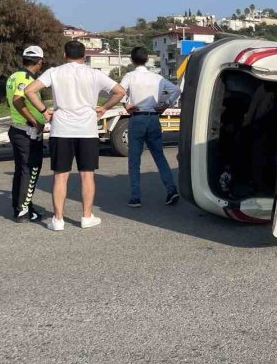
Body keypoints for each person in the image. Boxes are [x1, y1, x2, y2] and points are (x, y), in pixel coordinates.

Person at [24, 41, 126, 231]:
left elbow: (29, 90)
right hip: (87, 130)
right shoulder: (94, 73)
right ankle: (86, 217)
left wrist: (44, 110)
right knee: (87, 175)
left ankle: (58, 219)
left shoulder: (54, 72)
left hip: (61, 129)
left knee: (60, 176)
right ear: (84, 56)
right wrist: (104, 108)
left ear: (65, 55)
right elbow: (120, 91)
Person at [119, 47, 181, 207]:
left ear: (132, 60)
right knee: (159, 156)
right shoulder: (157, 77)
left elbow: (119, 91)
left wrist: (126, 103)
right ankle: (171, 190)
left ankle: (135, 197)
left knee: (134, 159)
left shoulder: (129, 76)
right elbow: (176, 90)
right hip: (153, 117)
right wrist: (165, 105)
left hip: (137, 117)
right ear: (147, 60)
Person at [6, 46, 46, 223]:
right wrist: (34, 121)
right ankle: (23, 211)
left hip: (17, 129)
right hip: (26, 131)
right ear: (39, 62)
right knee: (31, 170)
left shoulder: (14, 76)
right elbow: (17, 100)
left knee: (21, 171)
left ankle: (21, 206)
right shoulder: (25, 78)